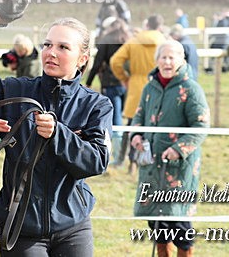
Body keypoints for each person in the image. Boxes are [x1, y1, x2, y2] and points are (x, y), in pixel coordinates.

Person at [0, 17, 112, 256]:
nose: (51, 52)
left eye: (63, 47)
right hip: (21, 228)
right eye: (47, 45)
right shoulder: (14, 90)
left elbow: (97, 161)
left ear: (82, 59)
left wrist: (58, 134)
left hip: (73, 227)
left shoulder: (96, 105)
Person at [130, 39, 209, 257]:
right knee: (156, 222)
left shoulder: (191, 89)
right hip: (151, 165)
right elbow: (138, 116)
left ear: (182, 60)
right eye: (163, 57)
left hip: (178, 169)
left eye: (172, 57)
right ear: (156, 60)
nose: (167, 62)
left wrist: (179, 148)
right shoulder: (149, 88)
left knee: (178, 220)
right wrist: (136, 135)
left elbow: (201, 125)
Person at [110, 14, 166, 170]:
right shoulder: (163, 42)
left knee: (131, 124)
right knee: (155, 124)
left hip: (135, 86)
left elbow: (115, 61)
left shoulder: (133, 41)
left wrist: (124, 78)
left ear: (146, 25)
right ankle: (151, 159)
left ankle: (124, 160)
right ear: (160, 27)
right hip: (157, 86)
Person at [86, 16, 131, 165]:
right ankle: (124, 154)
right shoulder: (129, 40)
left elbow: (97, 63)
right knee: (126, 118)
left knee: (115, 120)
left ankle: (118, 157)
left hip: (111, 83)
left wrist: (89, 81)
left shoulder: (106, 40)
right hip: (127, 83)